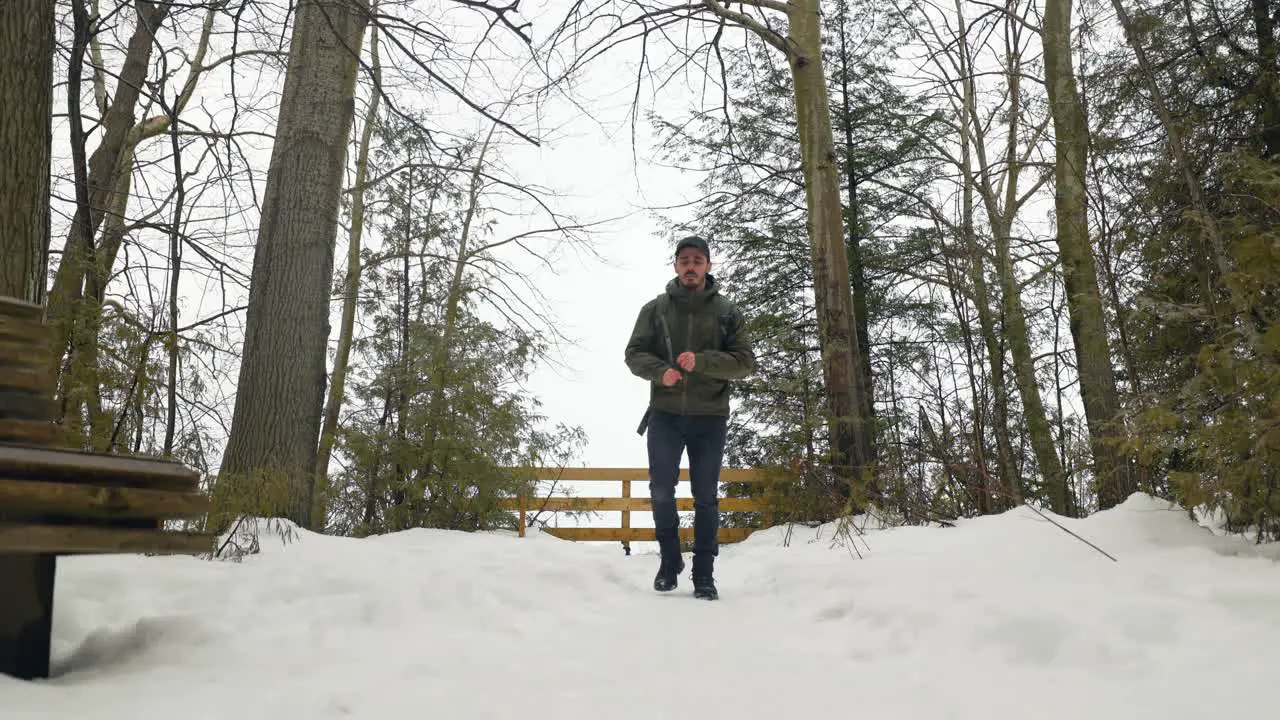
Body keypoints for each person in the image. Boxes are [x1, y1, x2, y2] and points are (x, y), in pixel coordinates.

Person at [624, 235, 756, 600]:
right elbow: (633, 353)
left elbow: (746, 362)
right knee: (661, 492)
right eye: (684, 260)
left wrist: (704, 361)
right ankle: (669, 562)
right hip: (665, 416)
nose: (691, 266)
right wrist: (659, 371)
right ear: (676, 266)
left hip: (709, 417)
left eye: (698, 260)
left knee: (705, 497)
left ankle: (704, 574)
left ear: (709, 266)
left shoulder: (727, 311)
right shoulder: (656, 309)